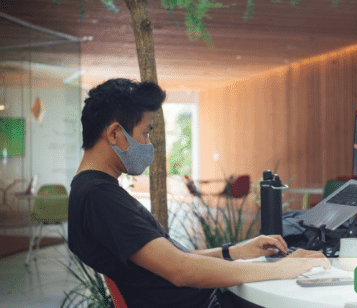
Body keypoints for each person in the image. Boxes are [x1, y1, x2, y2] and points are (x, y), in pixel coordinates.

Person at [68, 78, 330, 308]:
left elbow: (176, 258)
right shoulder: (98, 197)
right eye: (145, 133)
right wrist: (282, 269)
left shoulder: (94, 191)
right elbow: (180, 270)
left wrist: (236, 251)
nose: (148, 144)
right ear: (115, 133)